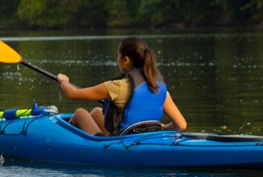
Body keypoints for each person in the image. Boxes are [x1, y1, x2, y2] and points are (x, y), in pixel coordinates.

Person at [55, 37, 186, 136]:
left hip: (122, 143)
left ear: (126, 60)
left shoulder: (117, 87)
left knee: (80, 113)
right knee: (96, 112)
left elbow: (72, 94)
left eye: (119, 56)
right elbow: (181, 125)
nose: (117, 59)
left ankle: (68, 145)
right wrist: (159, 130)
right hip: (145, 139)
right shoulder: (158, 86)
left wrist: (63, 81)